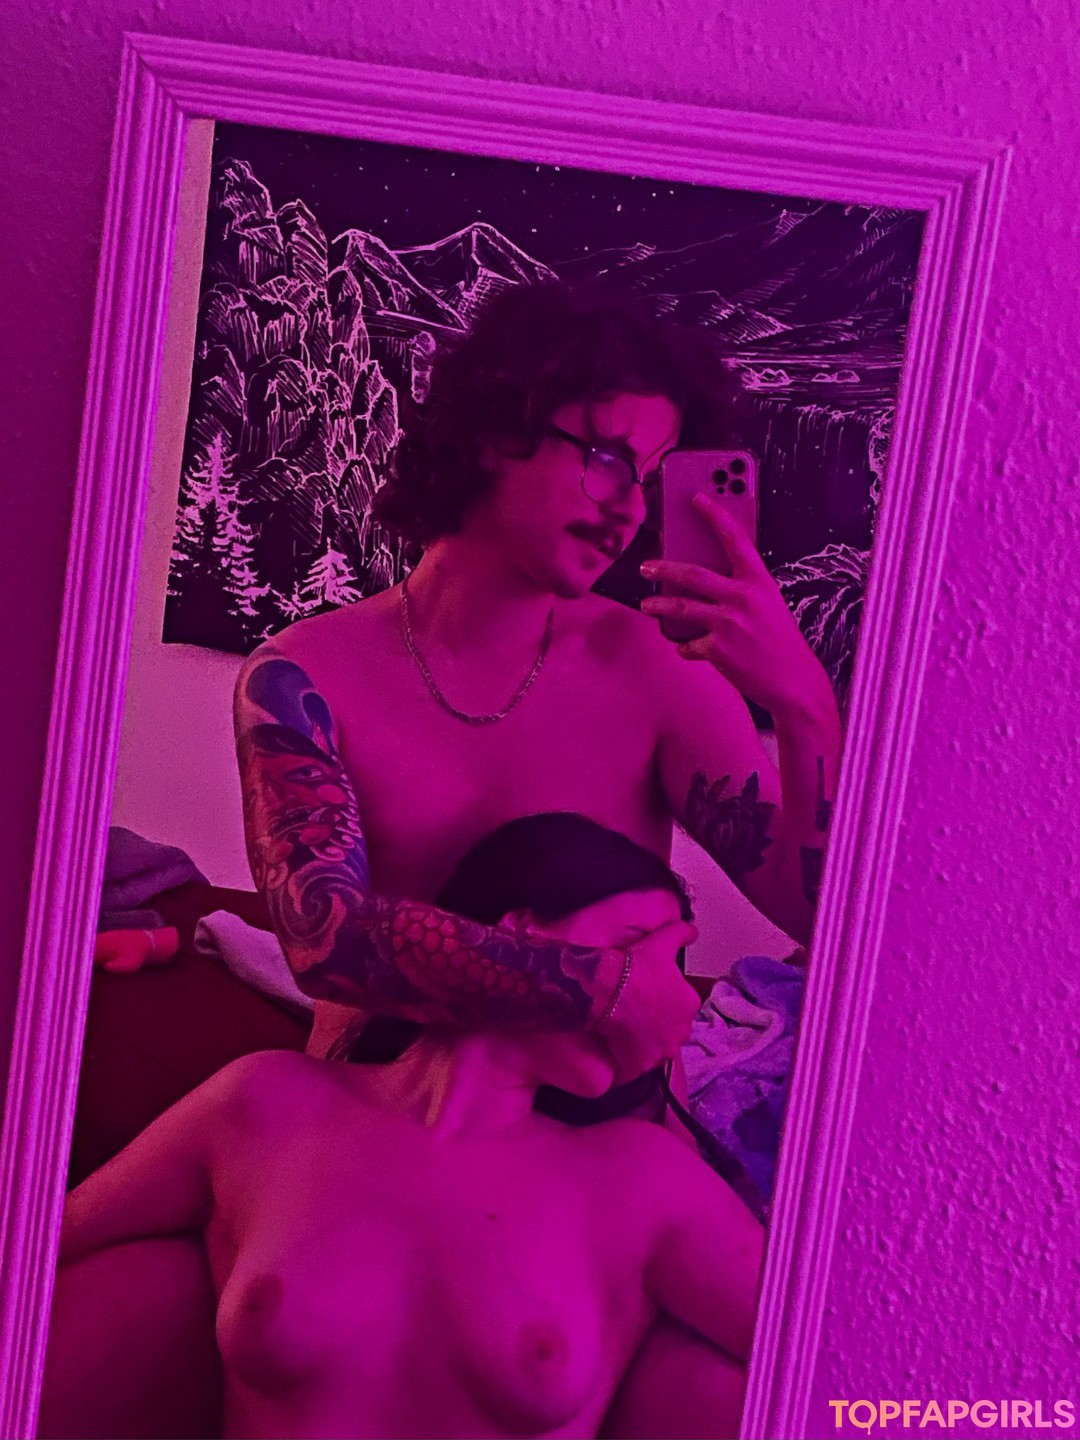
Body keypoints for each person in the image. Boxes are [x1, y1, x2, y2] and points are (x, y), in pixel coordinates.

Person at [234, 280, 843, 1075]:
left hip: (595, 1123)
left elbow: (819, 915)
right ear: (497, 430)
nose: (631, 510)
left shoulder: (653, 670)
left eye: (650, 478)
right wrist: (607, 989)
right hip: (374, 1109)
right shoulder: (302, 676)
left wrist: (804, 703)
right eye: (608, 460)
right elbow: (324, 937)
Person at [53, 815, 762, 1440]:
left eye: (674, 967)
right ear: (516, 934)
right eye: (636, 947)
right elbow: (39, 1244)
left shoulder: (643, 1177)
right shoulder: (264, 1104)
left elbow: (826, 1355)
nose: (666, 998)